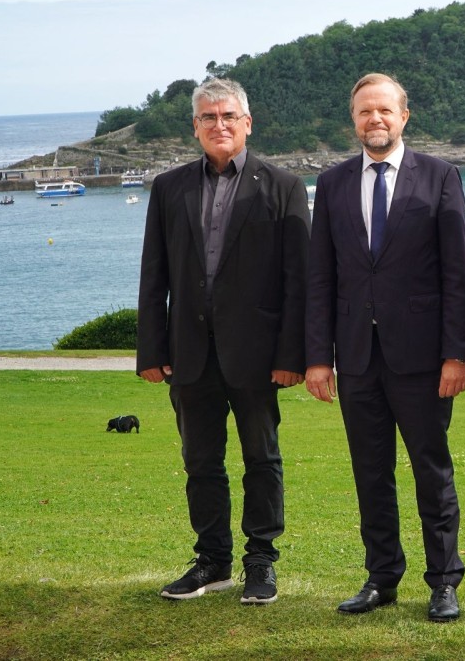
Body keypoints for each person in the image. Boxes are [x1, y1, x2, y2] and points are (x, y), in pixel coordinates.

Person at [304, 73, 465, 623]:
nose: (374, 120)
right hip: (356, 357)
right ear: (353, 120)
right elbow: (321, 278)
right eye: (363, 112)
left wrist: (458, 353)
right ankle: (382, 577)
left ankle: (444, 581)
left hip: (424, 358)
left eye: (383, 110)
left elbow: (457, 274)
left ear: (404, 115)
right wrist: (316, 356)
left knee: (432, 470)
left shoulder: (440, 176)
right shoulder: (331, 185)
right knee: (370, 472)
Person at [137, 78, 310, 605]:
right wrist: (152, 349)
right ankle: (212, 561)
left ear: (247, 123)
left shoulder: (282, 186)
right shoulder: (169, 188)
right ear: (195, 127)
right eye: (209, 118)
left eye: (229, 116)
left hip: (257, 356)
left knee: (263, 459)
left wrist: (292, 356)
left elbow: (297, 282)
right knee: (200, 463)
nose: (220, 125)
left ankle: (261, 562)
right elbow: (154, 274)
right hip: (189, 354)